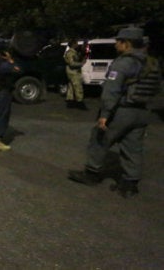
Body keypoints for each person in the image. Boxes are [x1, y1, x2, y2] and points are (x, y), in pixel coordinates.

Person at [68, 27, 160, 198]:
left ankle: (92, 173)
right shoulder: (152, 63)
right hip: (142, 111)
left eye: (119, 41)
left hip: (122, 110)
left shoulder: (123, 63)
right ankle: (130, 183)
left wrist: (105, 115)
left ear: (127, 44)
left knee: (100, 138)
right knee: (133, 147)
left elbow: (112, 91)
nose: (116, 44)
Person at [64, 39, 87, 110]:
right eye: (76, 43)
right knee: (78, 87)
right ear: (73, 44)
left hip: (71, 72)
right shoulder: (71, 53)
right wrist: (81, 63)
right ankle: (80, 103)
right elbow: (72, 63)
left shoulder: (72, 52)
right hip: (74, 72)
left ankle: (70, 103)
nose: (77, 45)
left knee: (71, 88)